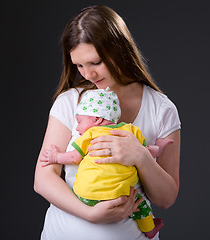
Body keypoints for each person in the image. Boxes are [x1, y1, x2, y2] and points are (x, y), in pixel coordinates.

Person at [33, 5, 181, 240]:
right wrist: (90, 214)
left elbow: (166, 198)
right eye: (79, 65)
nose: (88, 74)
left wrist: (141, 156)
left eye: (96, 62)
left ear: (120, 49)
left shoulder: (161, 109)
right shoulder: (71, 102)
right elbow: (43, 179)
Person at [40, 88, 172, 239]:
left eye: (80, 121)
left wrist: (55, 157)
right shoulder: (130, 131)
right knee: (140, 207)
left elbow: (73, 157)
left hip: (85, 195)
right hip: (121, 195)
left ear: (97, 120)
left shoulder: (90, 134)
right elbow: (149, 152)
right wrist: (159, 147)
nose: (77, 128)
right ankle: (150, 229)